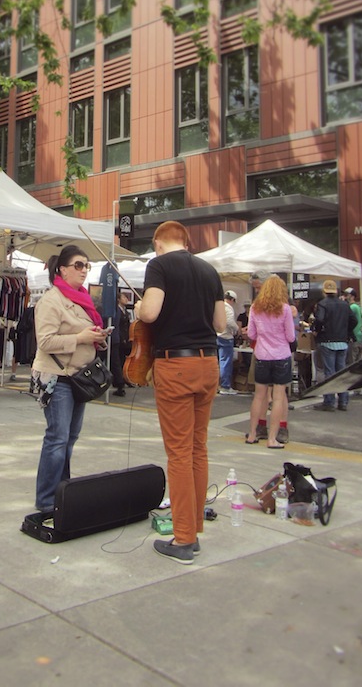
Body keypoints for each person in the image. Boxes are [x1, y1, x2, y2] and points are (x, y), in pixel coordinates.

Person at [134, 221, 225, 565]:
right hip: (208, 364)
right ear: (186, 241)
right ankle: (194, 529)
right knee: (197, 447)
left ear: (158, 242)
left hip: (176, 366)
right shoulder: (208, 269)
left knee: (178, 454)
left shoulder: (158, 265)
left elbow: (151, 312)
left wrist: (141, 307)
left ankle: (184, 539)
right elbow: (220, 323)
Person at [32, 245, 109, 512]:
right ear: (62, 269)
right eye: (78, 265)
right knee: (57, 438)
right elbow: (44, 341)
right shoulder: (51, 301)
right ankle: (46, 502)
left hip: (79, 376)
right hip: (57, 376)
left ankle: (61, 494)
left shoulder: (83, 299)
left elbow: (84, 335)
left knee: (70, 437)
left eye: (87, 266)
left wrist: (97, 338)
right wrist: (80, 338)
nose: (84, 271)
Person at [245, 275, 295, 448]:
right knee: (278, 398)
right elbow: (290, 336)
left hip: (261, 355)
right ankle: (272, 438)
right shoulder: (286, 309)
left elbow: (251, 335)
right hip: (281, 356)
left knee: (259, 396)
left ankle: (252, 434)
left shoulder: (255, 308)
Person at [312, 280, 357, 412]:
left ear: (324, 291)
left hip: (327, 340)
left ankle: (329, 402)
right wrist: (347, 331)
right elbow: (353, 320)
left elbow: (319, 319)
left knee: (329, 372)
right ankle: (343, 401)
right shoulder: (344, 304)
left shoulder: (323, 304)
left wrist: (317, 331)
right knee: (341, 372)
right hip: (342, 341)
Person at [217, 290, 239, 394]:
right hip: (226, 337)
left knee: (217, 362)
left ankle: (217, 385)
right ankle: (225, 386)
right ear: (233, 300)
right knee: (225, 362)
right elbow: (230, 321)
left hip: (217, 336)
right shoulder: (229, 308)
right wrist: (237, 329)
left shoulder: (219, 306)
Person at [343, 287, 362, 364]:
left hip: (353, 337)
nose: (344, 297)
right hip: (359, 336)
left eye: (346, 295)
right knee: (359, 362)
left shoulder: (352, 307)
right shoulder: (357, 306)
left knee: (351, 363)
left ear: (352, 296)